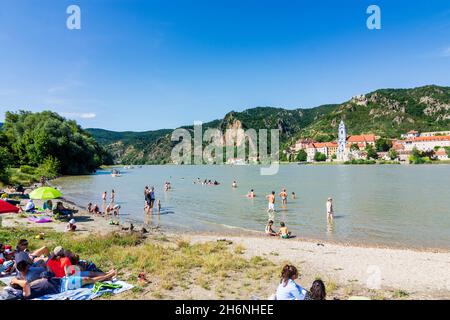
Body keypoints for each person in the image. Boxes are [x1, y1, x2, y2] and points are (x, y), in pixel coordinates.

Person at [10, 269, 117, 300]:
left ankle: (108, 275)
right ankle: (109, 275)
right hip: (63, 286)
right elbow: (24, 283)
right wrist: (14, 280)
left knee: (87, 279)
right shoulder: (25, 294)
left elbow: (27, 282)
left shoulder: (31, 285)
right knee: (87, 279)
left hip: (61, 280)